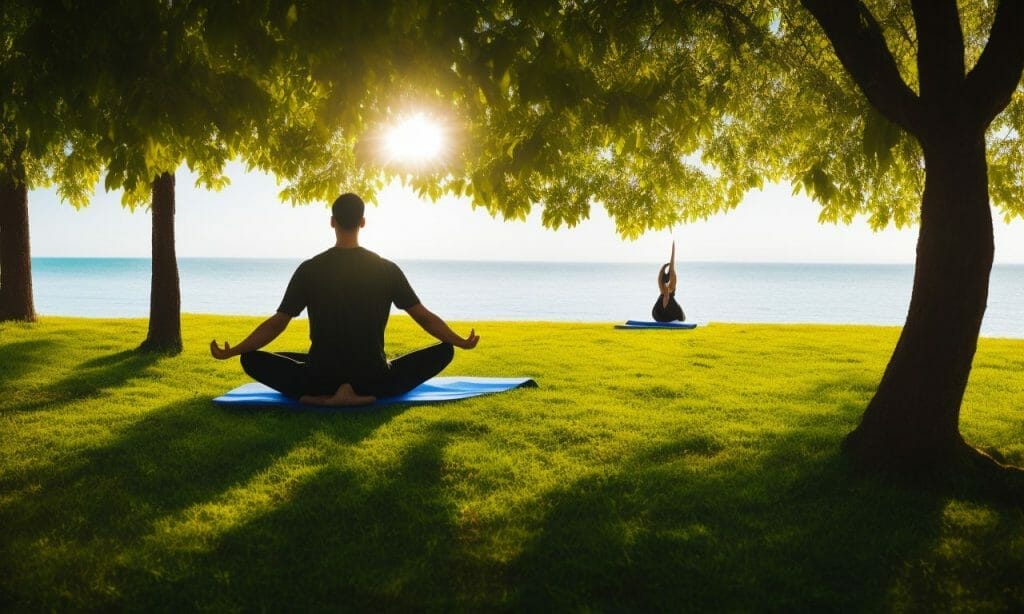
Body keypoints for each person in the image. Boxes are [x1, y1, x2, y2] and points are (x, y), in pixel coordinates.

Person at [210, 192, 479, 406]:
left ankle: (314, 399)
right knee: (445, 350)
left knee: (251, 359)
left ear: (332, 221)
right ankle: (363, 397)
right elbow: (424, 317)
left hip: (320, 379)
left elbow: (277, 324)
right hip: (372, 379)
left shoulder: (310, 268)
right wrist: (459, 341)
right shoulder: (386, 269)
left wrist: (235, 350)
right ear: (362, 222)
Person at [652, 240, 686, 322]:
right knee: (666, 295)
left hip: (660, 314)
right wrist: (673, 252)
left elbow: (670, 270)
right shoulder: (667, 288)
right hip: (665, 314)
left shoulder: (664, 287)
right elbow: (671, 270)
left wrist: (673, 252)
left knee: (666, 295)